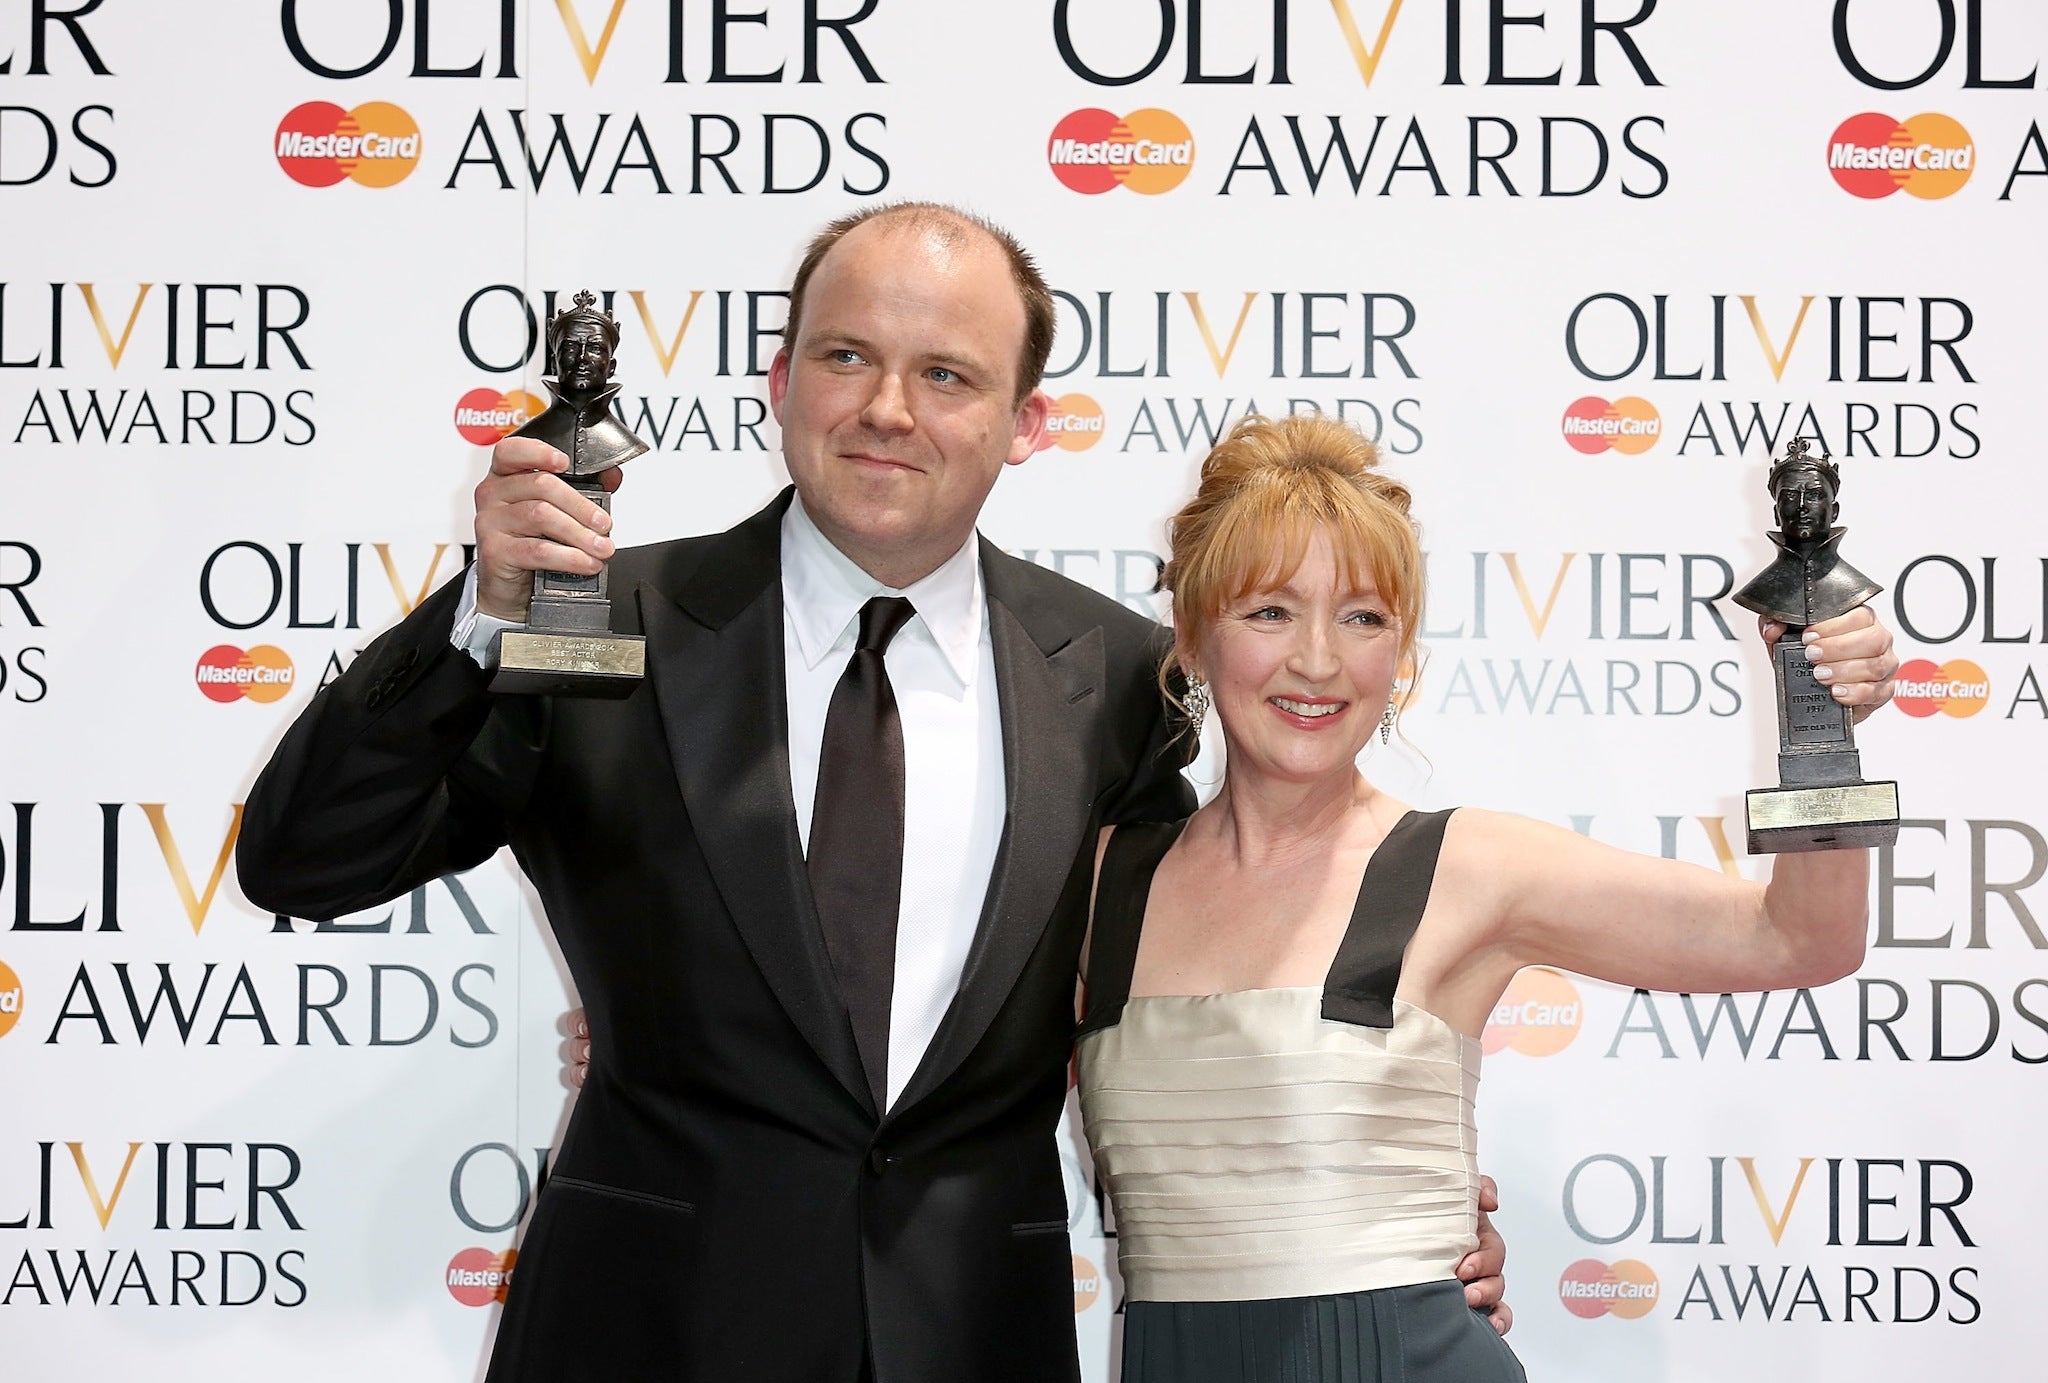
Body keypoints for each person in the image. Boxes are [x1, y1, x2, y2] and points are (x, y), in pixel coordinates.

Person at [235, 203, 1508, 1383]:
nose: (888, 409)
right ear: (781, 383)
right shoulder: (602, 631)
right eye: (845, 358)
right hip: (643, 1336)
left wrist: (1381, 1229)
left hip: (974, 1342)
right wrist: (476, 616)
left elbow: (1191, 993)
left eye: (947, 375)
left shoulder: (1119, 679)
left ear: (1025, 425)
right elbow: (304, 861)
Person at [1070, 412, 1895, 1381]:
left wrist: (1821, 730)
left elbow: (1799, 938)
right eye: (1269, 611)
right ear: (1194, 633)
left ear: (1400, 650)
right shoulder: (1099, 884)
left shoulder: (1465, 864)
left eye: (1362, 616)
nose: (1318, 661)